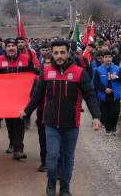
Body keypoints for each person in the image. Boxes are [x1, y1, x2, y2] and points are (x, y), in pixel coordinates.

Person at [20, 39, 101, 196]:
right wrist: (27, 111)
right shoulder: (46, 72)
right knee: (53, 156)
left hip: (71, 123)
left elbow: (90, 96)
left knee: (69, 158)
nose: (59, 56)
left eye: (62, 52)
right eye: (56, 53)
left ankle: (65, 186)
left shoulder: (79, 72)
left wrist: (96, 116)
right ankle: (51, 181)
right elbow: (37, 95)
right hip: (50, 123)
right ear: (52, 53)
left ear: (68, 53)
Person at [0, 38, 35, 160]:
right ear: (5, 48)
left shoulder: (26, 59)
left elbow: (33, 73)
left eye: (13, 45)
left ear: (17, 47)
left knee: (19, 121)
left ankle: (18, 149)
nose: (11, 48)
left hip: (21, 98)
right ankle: (12, 143)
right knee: (10, 122)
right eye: (9, 46)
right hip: (6, 97)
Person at [30, 53, 53, 173]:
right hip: (42, 114)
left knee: (55, 141)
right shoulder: (38, 78)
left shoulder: (60, 77)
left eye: (51, 62)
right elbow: (33, 95)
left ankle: (57, 164)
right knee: (43, 140)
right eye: (46, 62)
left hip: (57, 116)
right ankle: (44, 162)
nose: (48, 64)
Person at [94, 51, 121, 136]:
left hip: (115, 95)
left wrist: (116, 77)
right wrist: (104, 89)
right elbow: (96, 82)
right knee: (105, 112)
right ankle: (108, 129)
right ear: (103, 58)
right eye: (106, 57)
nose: (108, 59)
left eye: (109, 57)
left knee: (115, 111)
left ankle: (114, 126)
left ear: (112, 58)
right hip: (103, 95)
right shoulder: (99, 69)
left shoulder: (117, 68)